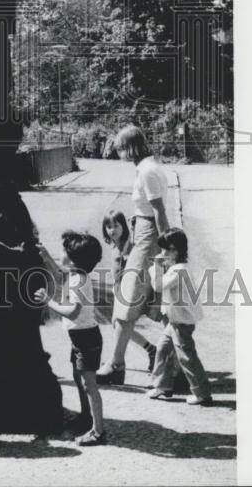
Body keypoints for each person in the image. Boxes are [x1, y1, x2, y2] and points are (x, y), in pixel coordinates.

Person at [97, 125, 170, 385]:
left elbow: (159, 212)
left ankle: (117, 365)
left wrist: (165, 247)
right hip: (144, 232)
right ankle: (122, 362)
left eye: (120, 149)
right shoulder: (148, 167)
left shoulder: (148, 171)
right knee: (150, 302)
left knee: (129, 299)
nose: (118, 154)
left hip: (149, 238)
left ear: (130, 147)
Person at [34, 231, 107, 446]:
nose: (61, 253)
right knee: (79, 377)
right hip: (80, 336)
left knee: (89, 384)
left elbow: (73, 312)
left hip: (86, 337)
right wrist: (46, 255)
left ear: (74, 258)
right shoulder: (76, 275)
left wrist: (49, 301)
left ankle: (98, 431)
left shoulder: (78, 282)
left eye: (64, 251)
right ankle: (86, 416)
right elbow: (59, 275)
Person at [147, 228, 213, 406]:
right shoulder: (176, 268)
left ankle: (202, 393)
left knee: (186, 357)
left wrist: (156, 268)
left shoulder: (179, 270)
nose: (165, 253)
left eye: (170, 249)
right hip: (176, 320)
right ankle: (162, 385)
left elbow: (159, 287)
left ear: (180, 250)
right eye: (163, 249)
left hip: (182, 322)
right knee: (163, 349)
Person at [99, 210, 157, 372]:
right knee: (116, 325)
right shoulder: (114, 245)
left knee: (121, 324)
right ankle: (151, 349)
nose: (112, 230)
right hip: (118, 288)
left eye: (116, 226)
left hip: (129, 289)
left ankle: (149, 350)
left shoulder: (128, 244)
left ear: (123, 227)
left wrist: (133, 230)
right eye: (108, 227)